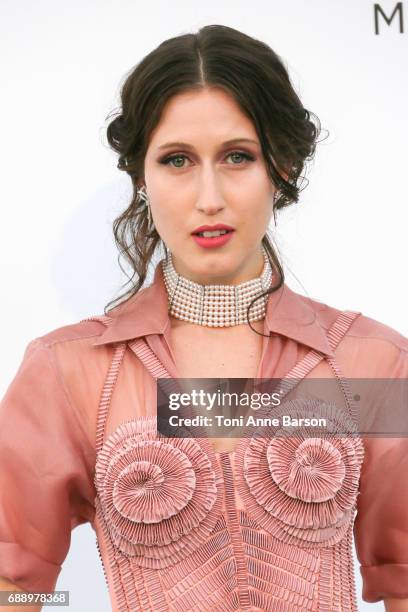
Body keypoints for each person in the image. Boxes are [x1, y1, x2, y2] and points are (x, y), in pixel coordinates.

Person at [0, 24, 407, 612]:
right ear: (142, 176)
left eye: (238, 157)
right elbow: (15, 586)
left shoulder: (372, 364)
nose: (208, 197)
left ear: (284, 165)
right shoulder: (68, 371)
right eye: (177, 160)